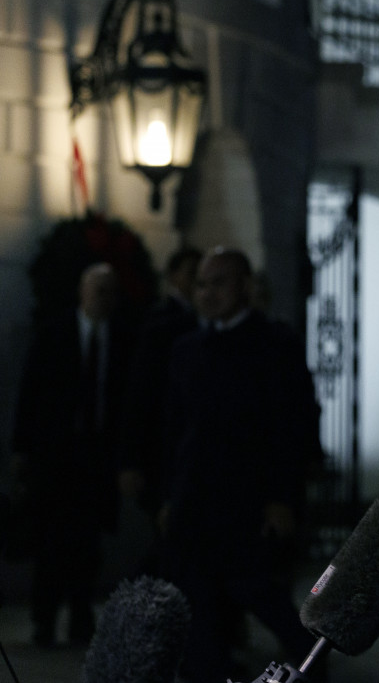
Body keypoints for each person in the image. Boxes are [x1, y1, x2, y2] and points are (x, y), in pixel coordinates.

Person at [157, 247, 321, 683]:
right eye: (203, 284)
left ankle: (312, 670)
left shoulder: (274, 345)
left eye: (220, 282)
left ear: (245, 286)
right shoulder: (187, 349)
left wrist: (281, 499)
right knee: (197, 614)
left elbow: (292, 429)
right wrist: (170, 496)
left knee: (265, 598)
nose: (209, 293)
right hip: (195, 504)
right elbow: (175, 429)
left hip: (248, 506)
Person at [11, 262, 135, 647]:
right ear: (82, 293)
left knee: (87, 544)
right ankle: (44, 619)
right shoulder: (55, 334)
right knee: (50, 542)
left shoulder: (123, 339)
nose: (103, 299)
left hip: (96, 455)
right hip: (55, 455)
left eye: (109, 292)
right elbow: (29, 393)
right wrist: (22, 450)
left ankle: (80, 617)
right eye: (97, 291)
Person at [119, 246, 203, 520]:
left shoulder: (202, 320)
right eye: (192, 273)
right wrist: (132, 459)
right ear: (173, 276)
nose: (197, 282)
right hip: (161, 443)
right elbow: (141, 393)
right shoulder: (161, 324)